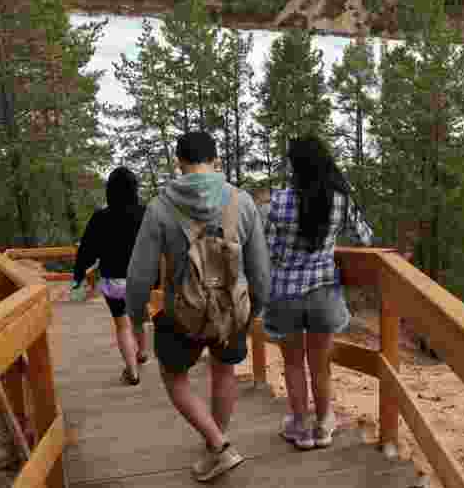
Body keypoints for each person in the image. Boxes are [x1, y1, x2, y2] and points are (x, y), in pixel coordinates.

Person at [126, 131, 270, 482]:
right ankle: (216, 444)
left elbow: (139, 275)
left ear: (179, 162)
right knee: (224, 371)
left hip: (182, 312)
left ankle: (218, 446)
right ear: (215, 159)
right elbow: (260, 270)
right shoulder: (242, 203)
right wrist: (255, 308)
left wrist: (135, 315)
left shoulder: (160, 207)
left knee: (173, 377)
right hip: (231, 310)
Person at [264, 135, 372, 450]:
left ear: (295, 166)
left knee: (294, 363)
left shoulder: (279, 201)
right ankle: (324, 425)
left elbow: (269, 251)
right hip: (324, 291)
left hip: (285, 293)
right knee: (321, 364)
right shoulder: (340, 198)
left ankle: (299, 427)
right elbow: (364, 237)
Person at [71, 166, 148, 385]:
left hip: (113, 280)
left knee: (123, 325)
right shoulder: (146, 213)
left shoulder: (101, 217)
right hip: (142, 280)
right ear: (134, 188)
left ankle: (132, 371)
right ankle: (142, 352)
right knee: (139, 317)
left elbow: (87, 250)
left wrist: (78, 276)